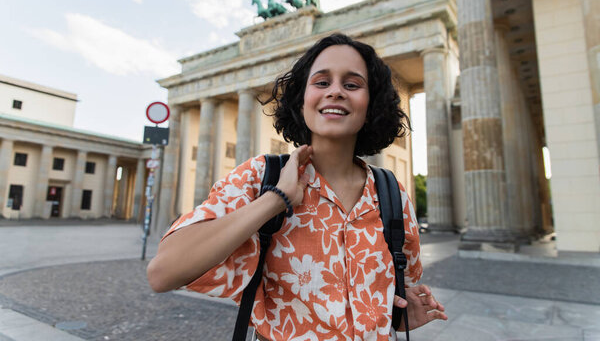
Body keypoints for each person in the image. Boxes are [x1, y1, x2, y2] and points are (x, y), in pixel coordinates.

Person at [147, 33, 447, 340]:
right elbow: (162, 273)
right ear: (301, 100)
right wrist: (275, 199)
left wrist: (398, 317)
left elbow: (397, 289)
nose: (336, 92)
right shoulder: (260, 177)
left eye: (352, 84)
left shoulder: (391, 193)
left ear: (371, 104)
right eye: (321, 82)